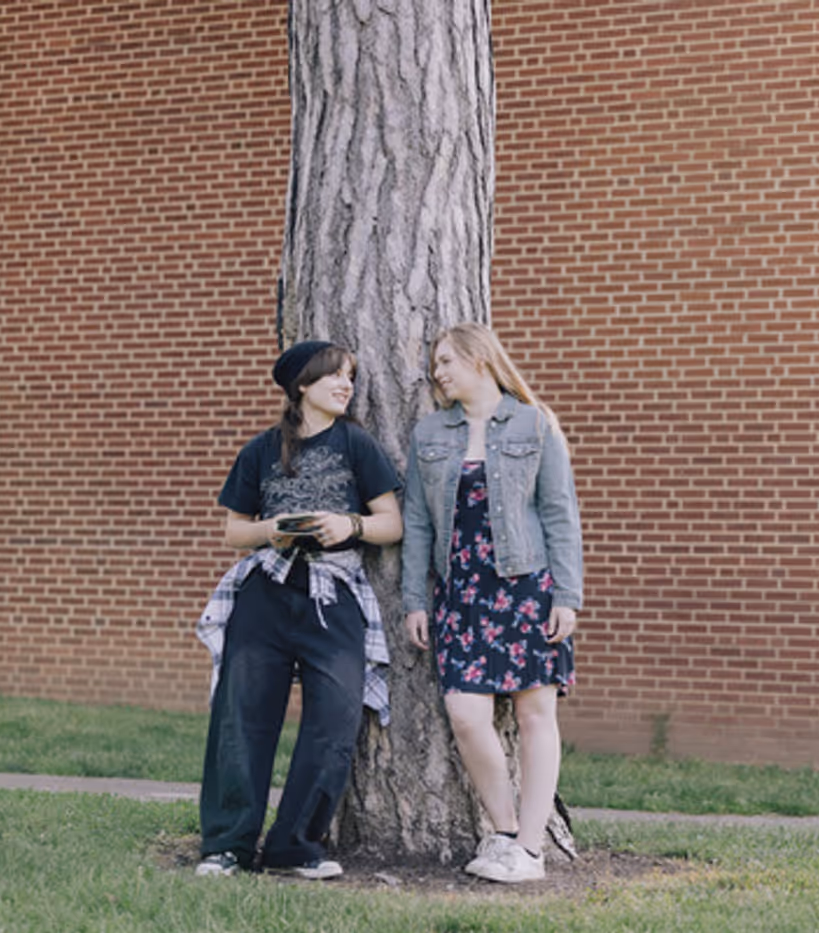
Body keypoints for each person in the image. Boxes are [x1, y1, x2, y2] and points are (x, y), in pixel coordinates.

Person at [194, 340, 403, 880]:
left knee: (333, 720)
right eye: (334, 376)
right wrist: (272, 531)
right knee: (242, 719)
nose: (346, 385)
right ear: (302, 386)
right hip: (266, 593)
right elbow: (233, 531)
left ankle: (294, 847)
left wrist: (349, 526)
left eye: (350, 376)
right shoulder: (260, 450)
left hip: (334, 598)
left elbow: (392, 523)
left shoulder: (358, 445)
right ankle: (228, 846)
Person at [402, 322, 583, 884]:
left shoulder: (534, 423)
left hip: (527, 587)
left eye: (447, 361)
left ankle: (530, 849)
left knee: (535, 713)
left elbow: (559, 513)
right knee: (466, 712)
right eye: (436, 363)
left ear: (480, 359)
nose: (438, 372)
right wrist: (415, 599)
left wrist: (568, 596)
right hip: (461, 593)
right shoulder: (430, 433)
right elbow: (416, 523)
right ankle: (505, 832)